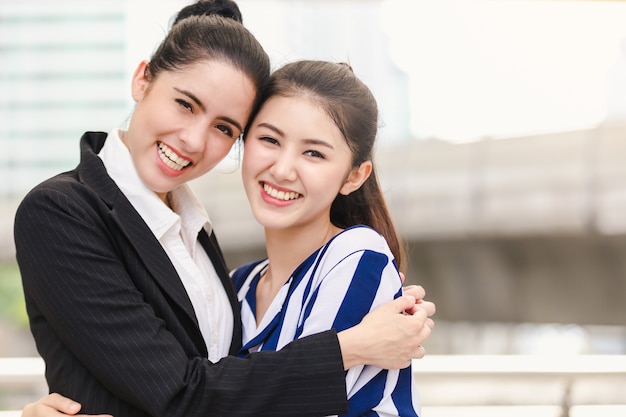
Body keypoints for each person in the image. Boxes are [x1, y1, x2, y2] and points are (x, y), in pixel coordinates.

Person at [14, 1, 434, 417]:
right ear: (143, 79)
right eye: (185, 103)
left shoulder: (199, 241)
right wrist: (350, 347)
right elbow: (180, 391)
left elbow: (214, 382)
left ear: (354, 175)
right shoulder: (61, 210)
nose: (194, 141)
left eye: (223, 128)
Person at [231, 60, 423, 416]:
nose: (283, 169)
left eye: (313, 153)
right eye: (269, 139)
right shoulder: (237, 286)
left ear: (354, 176)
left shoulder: (357, 257)